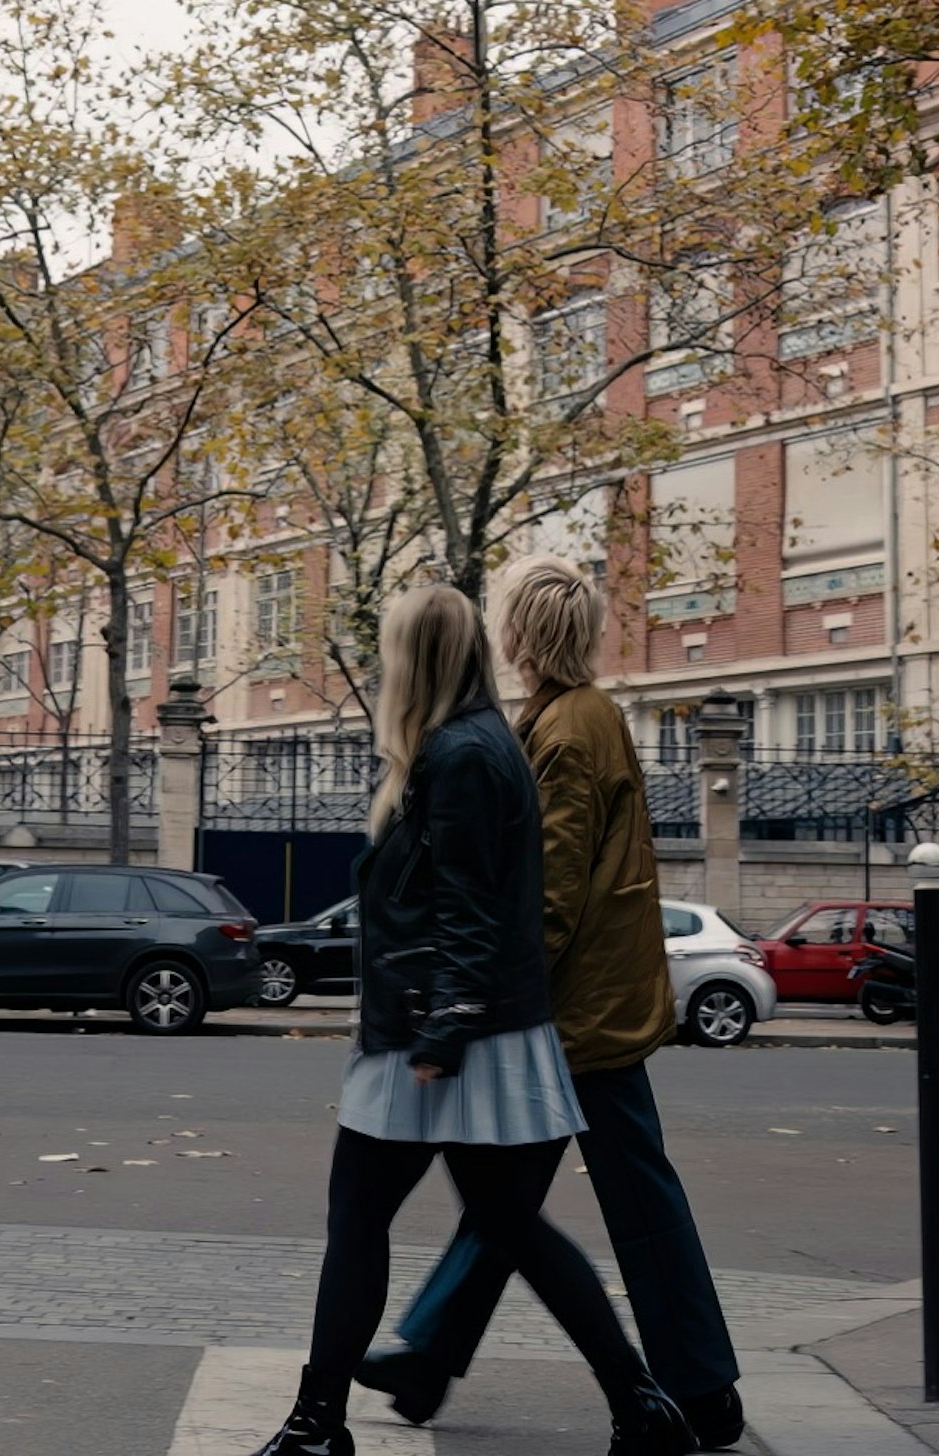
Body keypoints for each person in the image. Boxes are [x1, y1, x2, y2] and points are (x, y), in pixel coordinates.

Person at [245, 581, 695, 1456]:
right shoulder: (470, 746)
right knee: (506, 1226)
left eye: (390, 651)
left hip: (445, 1036)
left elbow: (473, 910)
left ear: (413, 659)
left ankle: (316, 1426)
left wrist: (442, 1028)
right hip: (461, 1030)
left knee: (367, 1222)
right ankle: (642, 1407)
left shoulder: (462, 757)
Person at [353, 557, 744, 1448]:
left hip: (576, 1019)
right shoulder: (582, 717)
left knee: (572, 1204)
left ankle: (699, 1389)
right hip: (595, 1006)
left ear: (524, 635)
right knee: (513, 1203)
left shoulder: (563, 733)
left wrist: (481, 1002)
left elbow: (549, 898)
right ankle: (427, 1357)